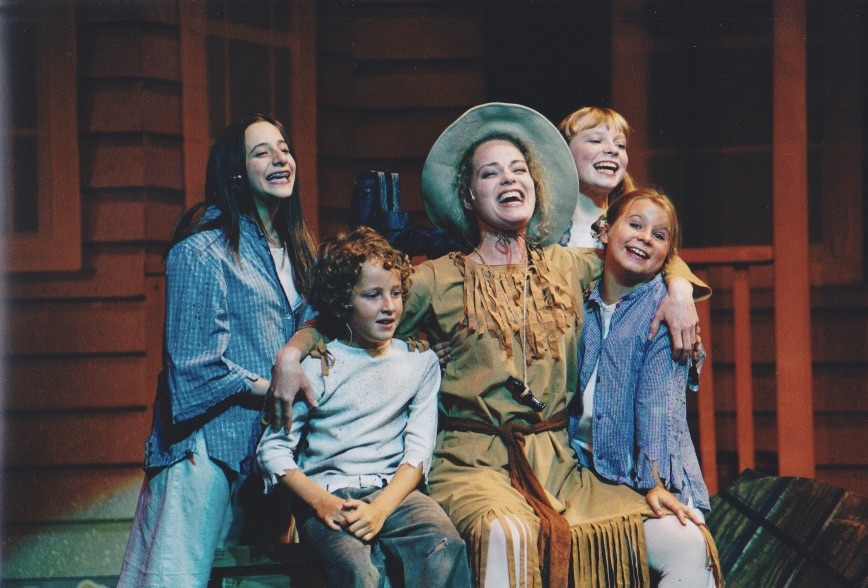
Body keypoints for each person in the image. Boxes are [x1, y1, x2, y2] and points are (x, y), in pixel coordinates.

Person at [268, 103, 710, 587]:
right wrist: (292, 353)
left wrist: (679, 290)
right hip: (470, 465)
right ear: (469, 196)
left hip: (559, 467)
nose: (509, 179)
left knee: (685, 542)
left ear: (535, 185)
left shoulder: (569, 265)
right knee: (507, 534)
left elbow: (644, 246)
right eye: (490, 173)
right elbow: (343, 315)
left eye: (519, 169)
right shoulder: (437, 278)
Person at [118, 113, 317, 587]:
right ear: (236, 172)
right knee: (175, 579)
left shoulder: (300, 252)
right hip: (205, 447)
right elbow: (194, 367)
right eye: (261, 152)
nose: (280, 159)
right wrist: (278, 386)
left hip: (271, 447)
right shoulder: (203, 250)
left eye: (284, 148)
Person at [257, 226, 471, 588]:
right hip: (329, 494)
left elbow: (418, 452)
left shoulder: (420, 363)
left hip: (394, 494)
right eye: (373, 295)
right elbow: (272, 450)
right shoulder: (317, 365)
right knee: (357, 570)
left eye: (396, 293)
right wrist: (320, 503)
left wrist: (381, 508)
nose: (389, 306)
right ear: (344, 301)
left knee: (443, 546)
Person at [570, 187, 722, 586]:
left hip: (645, 474)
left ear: (668, 255)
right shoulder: (579, 300)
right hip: (584, 471)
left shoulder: (664, 312)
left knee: (688, 547)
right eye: (635, 225)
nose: (645, 238)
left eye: (659, 235)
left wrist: (653, 482)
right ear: (605, 231)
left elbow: (657, 407)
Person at [558, 106, 634, 249]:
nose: (613, 150)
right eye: (596, 140)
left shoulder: (635, 233)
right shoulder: (536, 230)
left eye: (620, 145)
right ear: (564, 152)